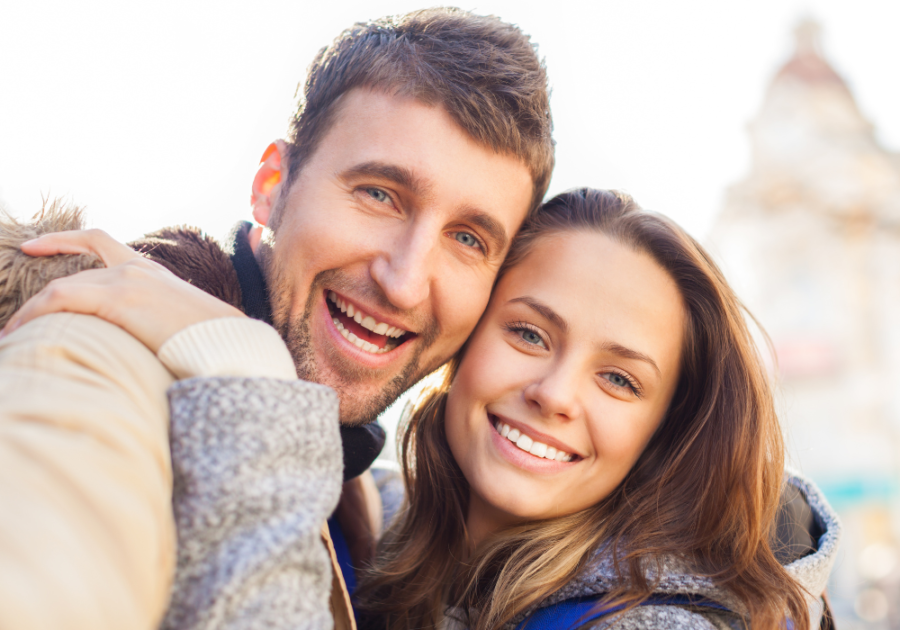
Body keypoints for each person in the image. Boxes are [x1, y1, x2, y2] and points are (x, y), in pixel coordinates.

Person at [0, 7, 553, 630]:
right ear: (271, 185)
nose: (402, 283)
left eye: (468, 239)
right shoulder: (90, 363)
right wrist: (257, 381)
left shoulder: (360, 493)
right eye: (379, 194)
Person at [354, 189, 841, 630]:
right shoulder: (361, 512)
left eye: (619, 380)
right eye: (529, 334)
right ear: (468, 328)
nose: (556, 394)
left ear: (665, 431)